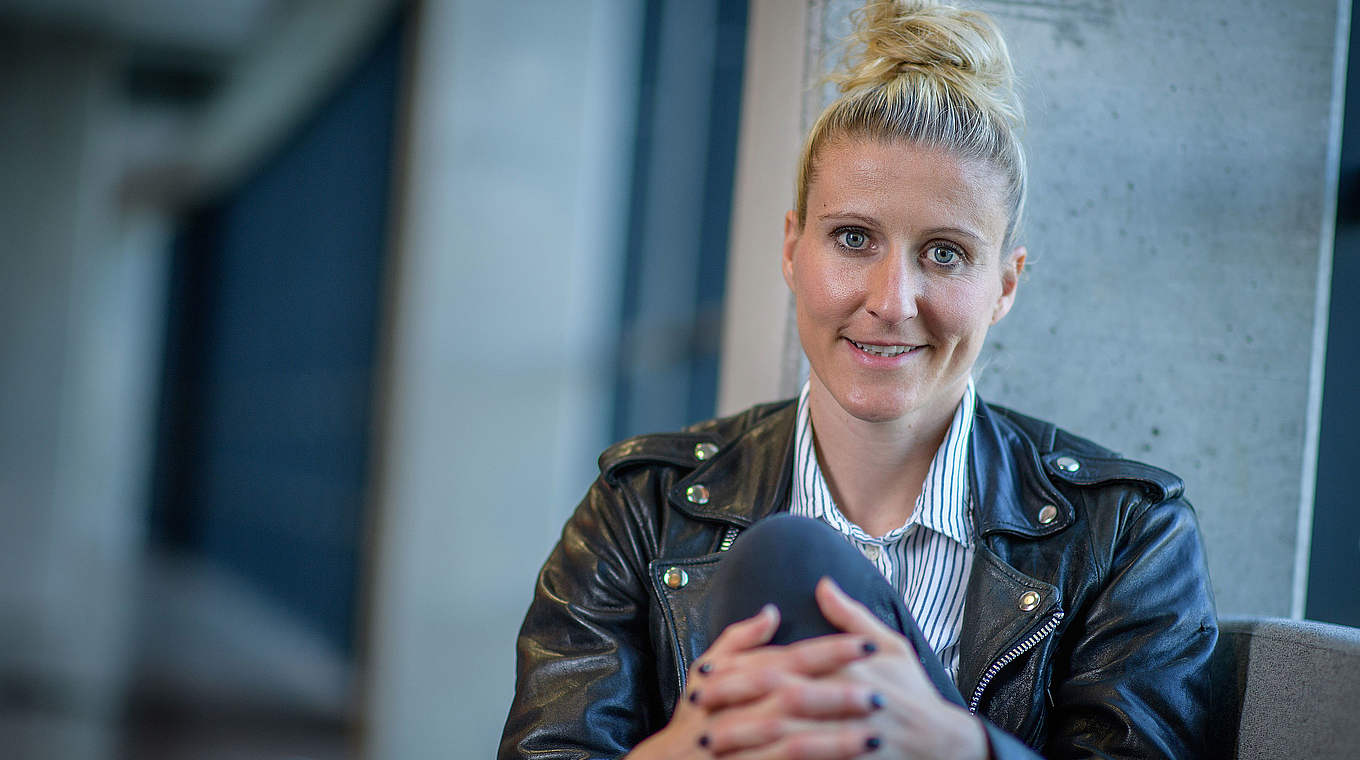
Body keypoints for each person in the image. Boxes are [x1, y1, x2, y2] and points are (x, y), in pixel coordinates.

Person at [499, 0, 1217, 757]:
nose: (891, 301)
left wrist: (958, 748)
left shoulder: (1127, 536)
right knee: (786, 562)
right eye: (852, 238)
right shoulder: (640, 508)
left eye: (945, 253)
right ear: (792, 249)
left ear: (1005, 285)